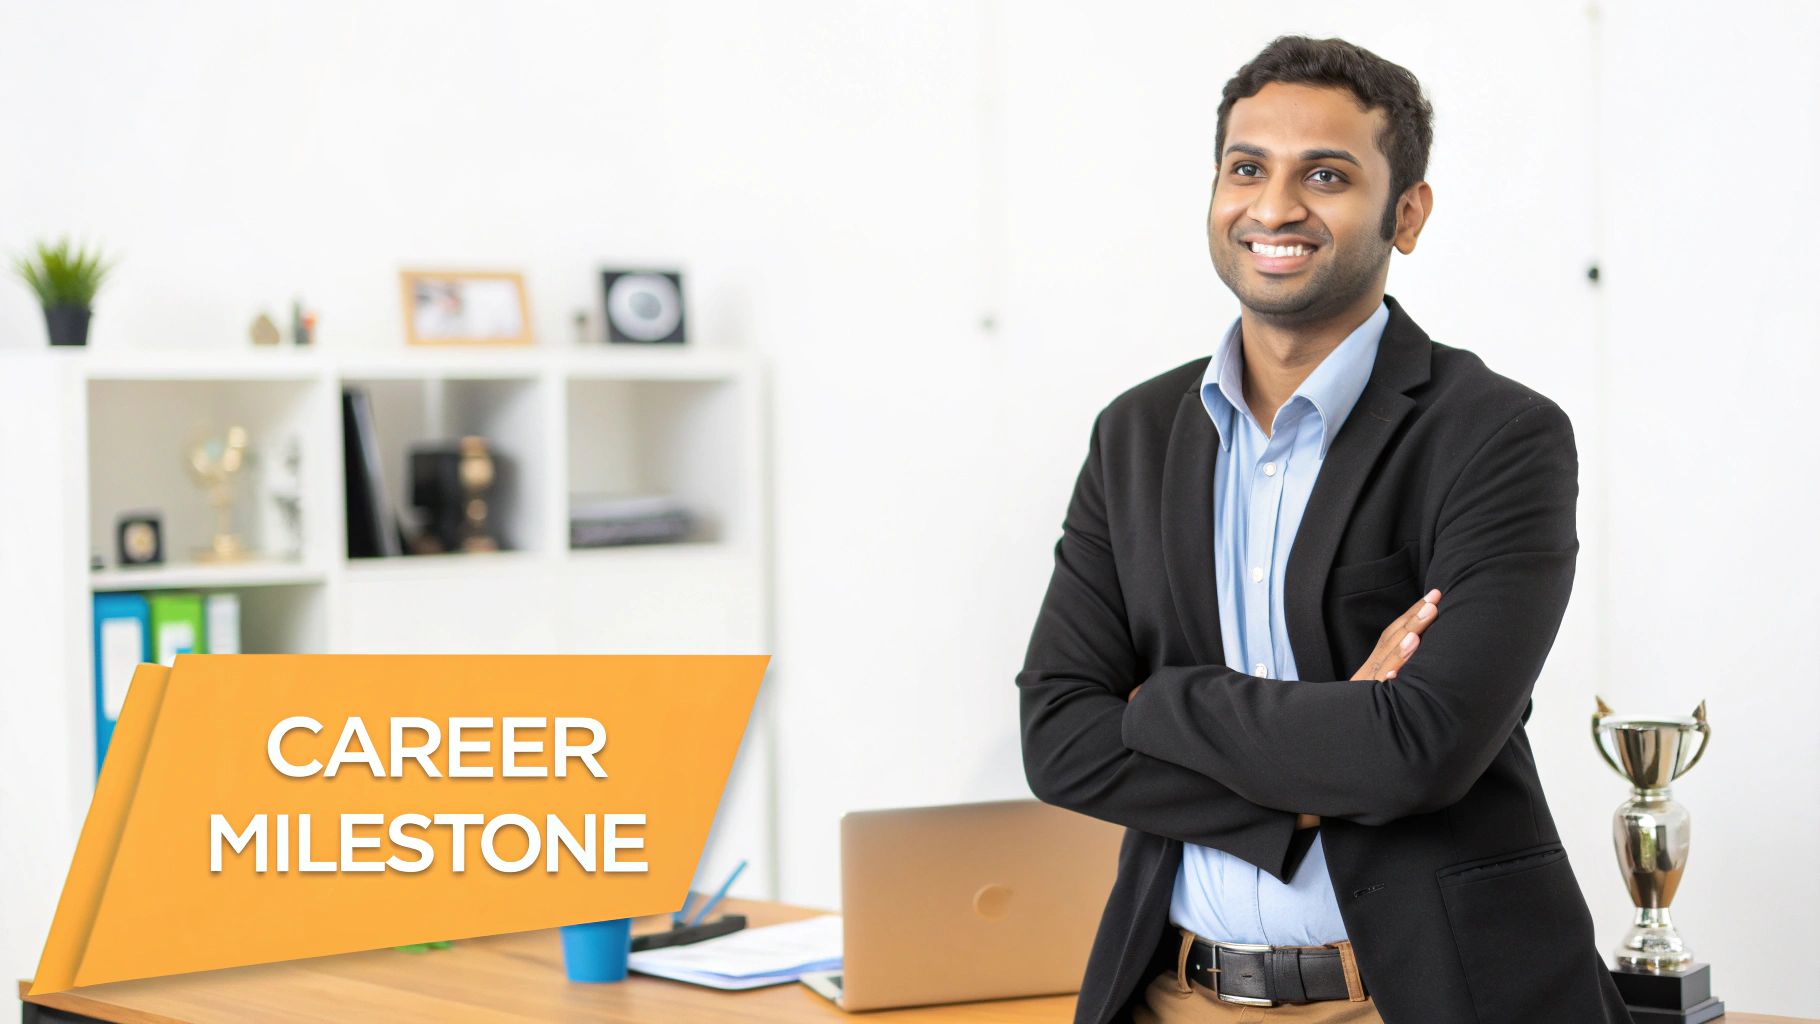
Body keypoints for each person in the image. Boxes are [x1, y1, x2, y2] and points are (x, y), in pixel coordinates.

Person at [1017, 35, 1630, 1024]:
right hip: (1173, 993)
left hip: (1414, 998)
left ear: (1407, 212)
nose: (1272, 207)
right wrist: (1319, 765)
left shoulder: (1496, 436)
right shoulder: (1134, 432)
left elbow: (1420, 745)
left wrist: (1160, 702)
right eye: (1245, 168)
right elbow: (1055, 737)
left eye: (1326, 175)